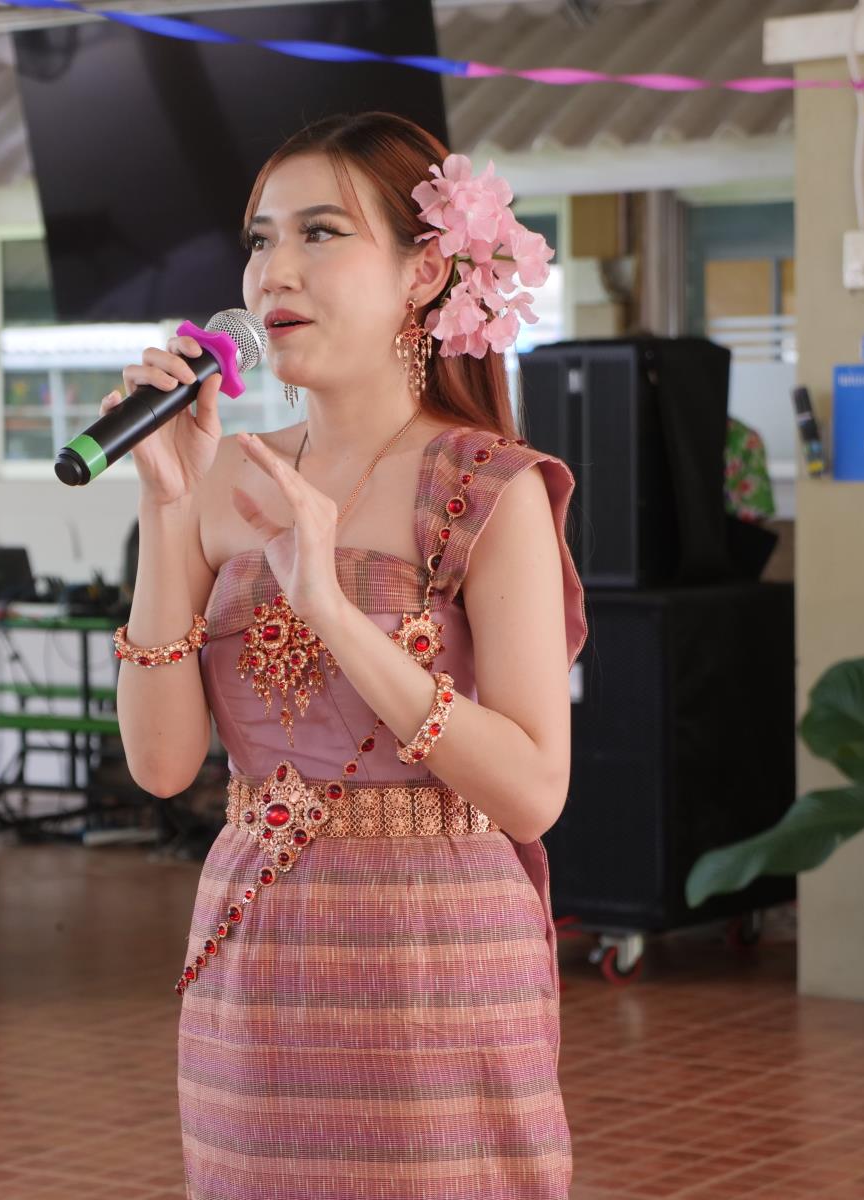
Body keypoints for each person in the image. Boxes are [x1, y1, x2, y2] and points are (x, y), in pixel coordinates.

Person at [104, 111, 588, 1200]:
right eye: (260, 239)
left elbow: (532, 792)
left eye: (319, 233)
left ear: (425, 272)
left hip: (438, 971)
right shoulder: (221, 475)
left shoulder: (488, 488)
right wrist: (164, 508)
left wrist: (327, 603)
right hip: (257, 963)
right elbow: (163, 767)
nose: (273, 272)